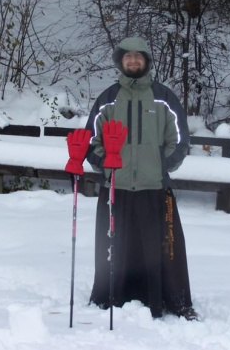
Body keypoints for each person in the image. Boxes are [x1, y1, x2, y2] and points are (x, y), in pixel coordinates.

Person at [84, 36, 197, 320]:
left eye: (138, 56)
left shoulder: (163, 97)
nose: (133, 61)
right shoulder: (108, 98)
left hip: (154, 187)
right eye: (127, 57)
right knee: (114, 247)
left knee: (163, 248)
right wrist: (106, 165)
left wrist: (161, 166)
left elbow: (179, 140)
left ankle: (171, 299)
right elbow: (90, 141)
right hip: (116, 187)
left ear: (146, 61)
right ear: (120, 62)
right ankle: (111, 296)